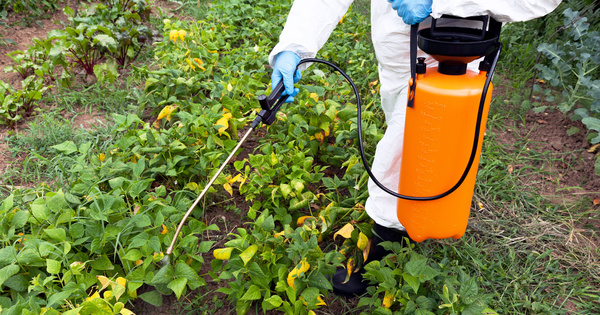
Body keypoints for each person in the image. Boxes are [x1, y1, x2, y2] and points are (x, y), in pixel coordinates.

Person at [269, 0, 562, 296]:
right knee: (414, 140)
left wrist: (440, 2)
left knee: (402, 146)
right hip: (396, 51)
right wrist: (295, 47)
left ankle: (384, 253)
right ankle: (417, 214)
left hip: (453, 44)